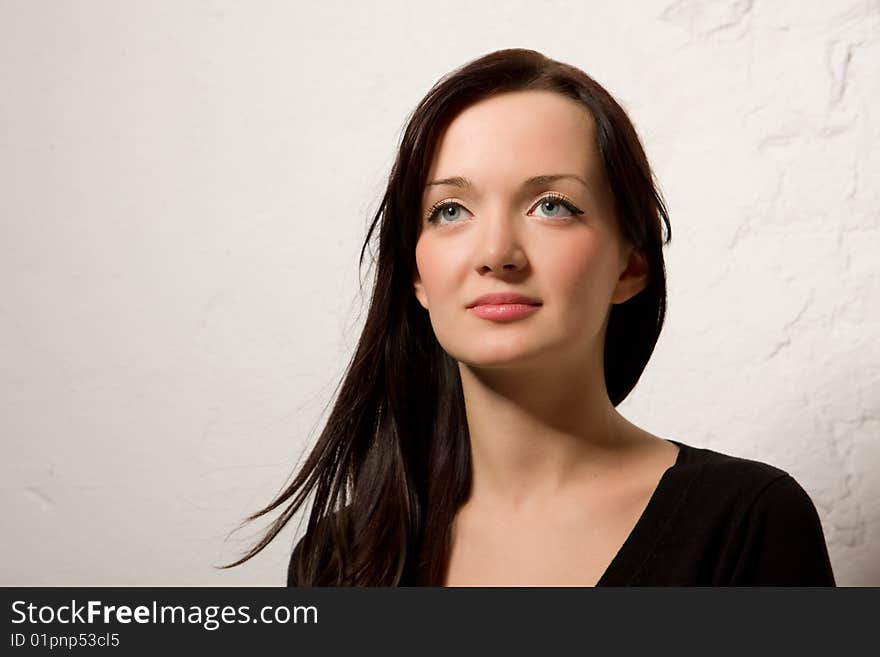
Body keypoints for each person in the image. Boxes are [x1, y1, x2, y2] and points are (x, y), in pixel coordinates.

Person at [222, 48, 836, 586]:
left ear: (631, 266)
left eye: (552, 205)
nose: (495, 254)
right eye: (450, 210)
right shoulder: (339, 558)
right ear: (416, 275)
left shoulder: (745, 520)